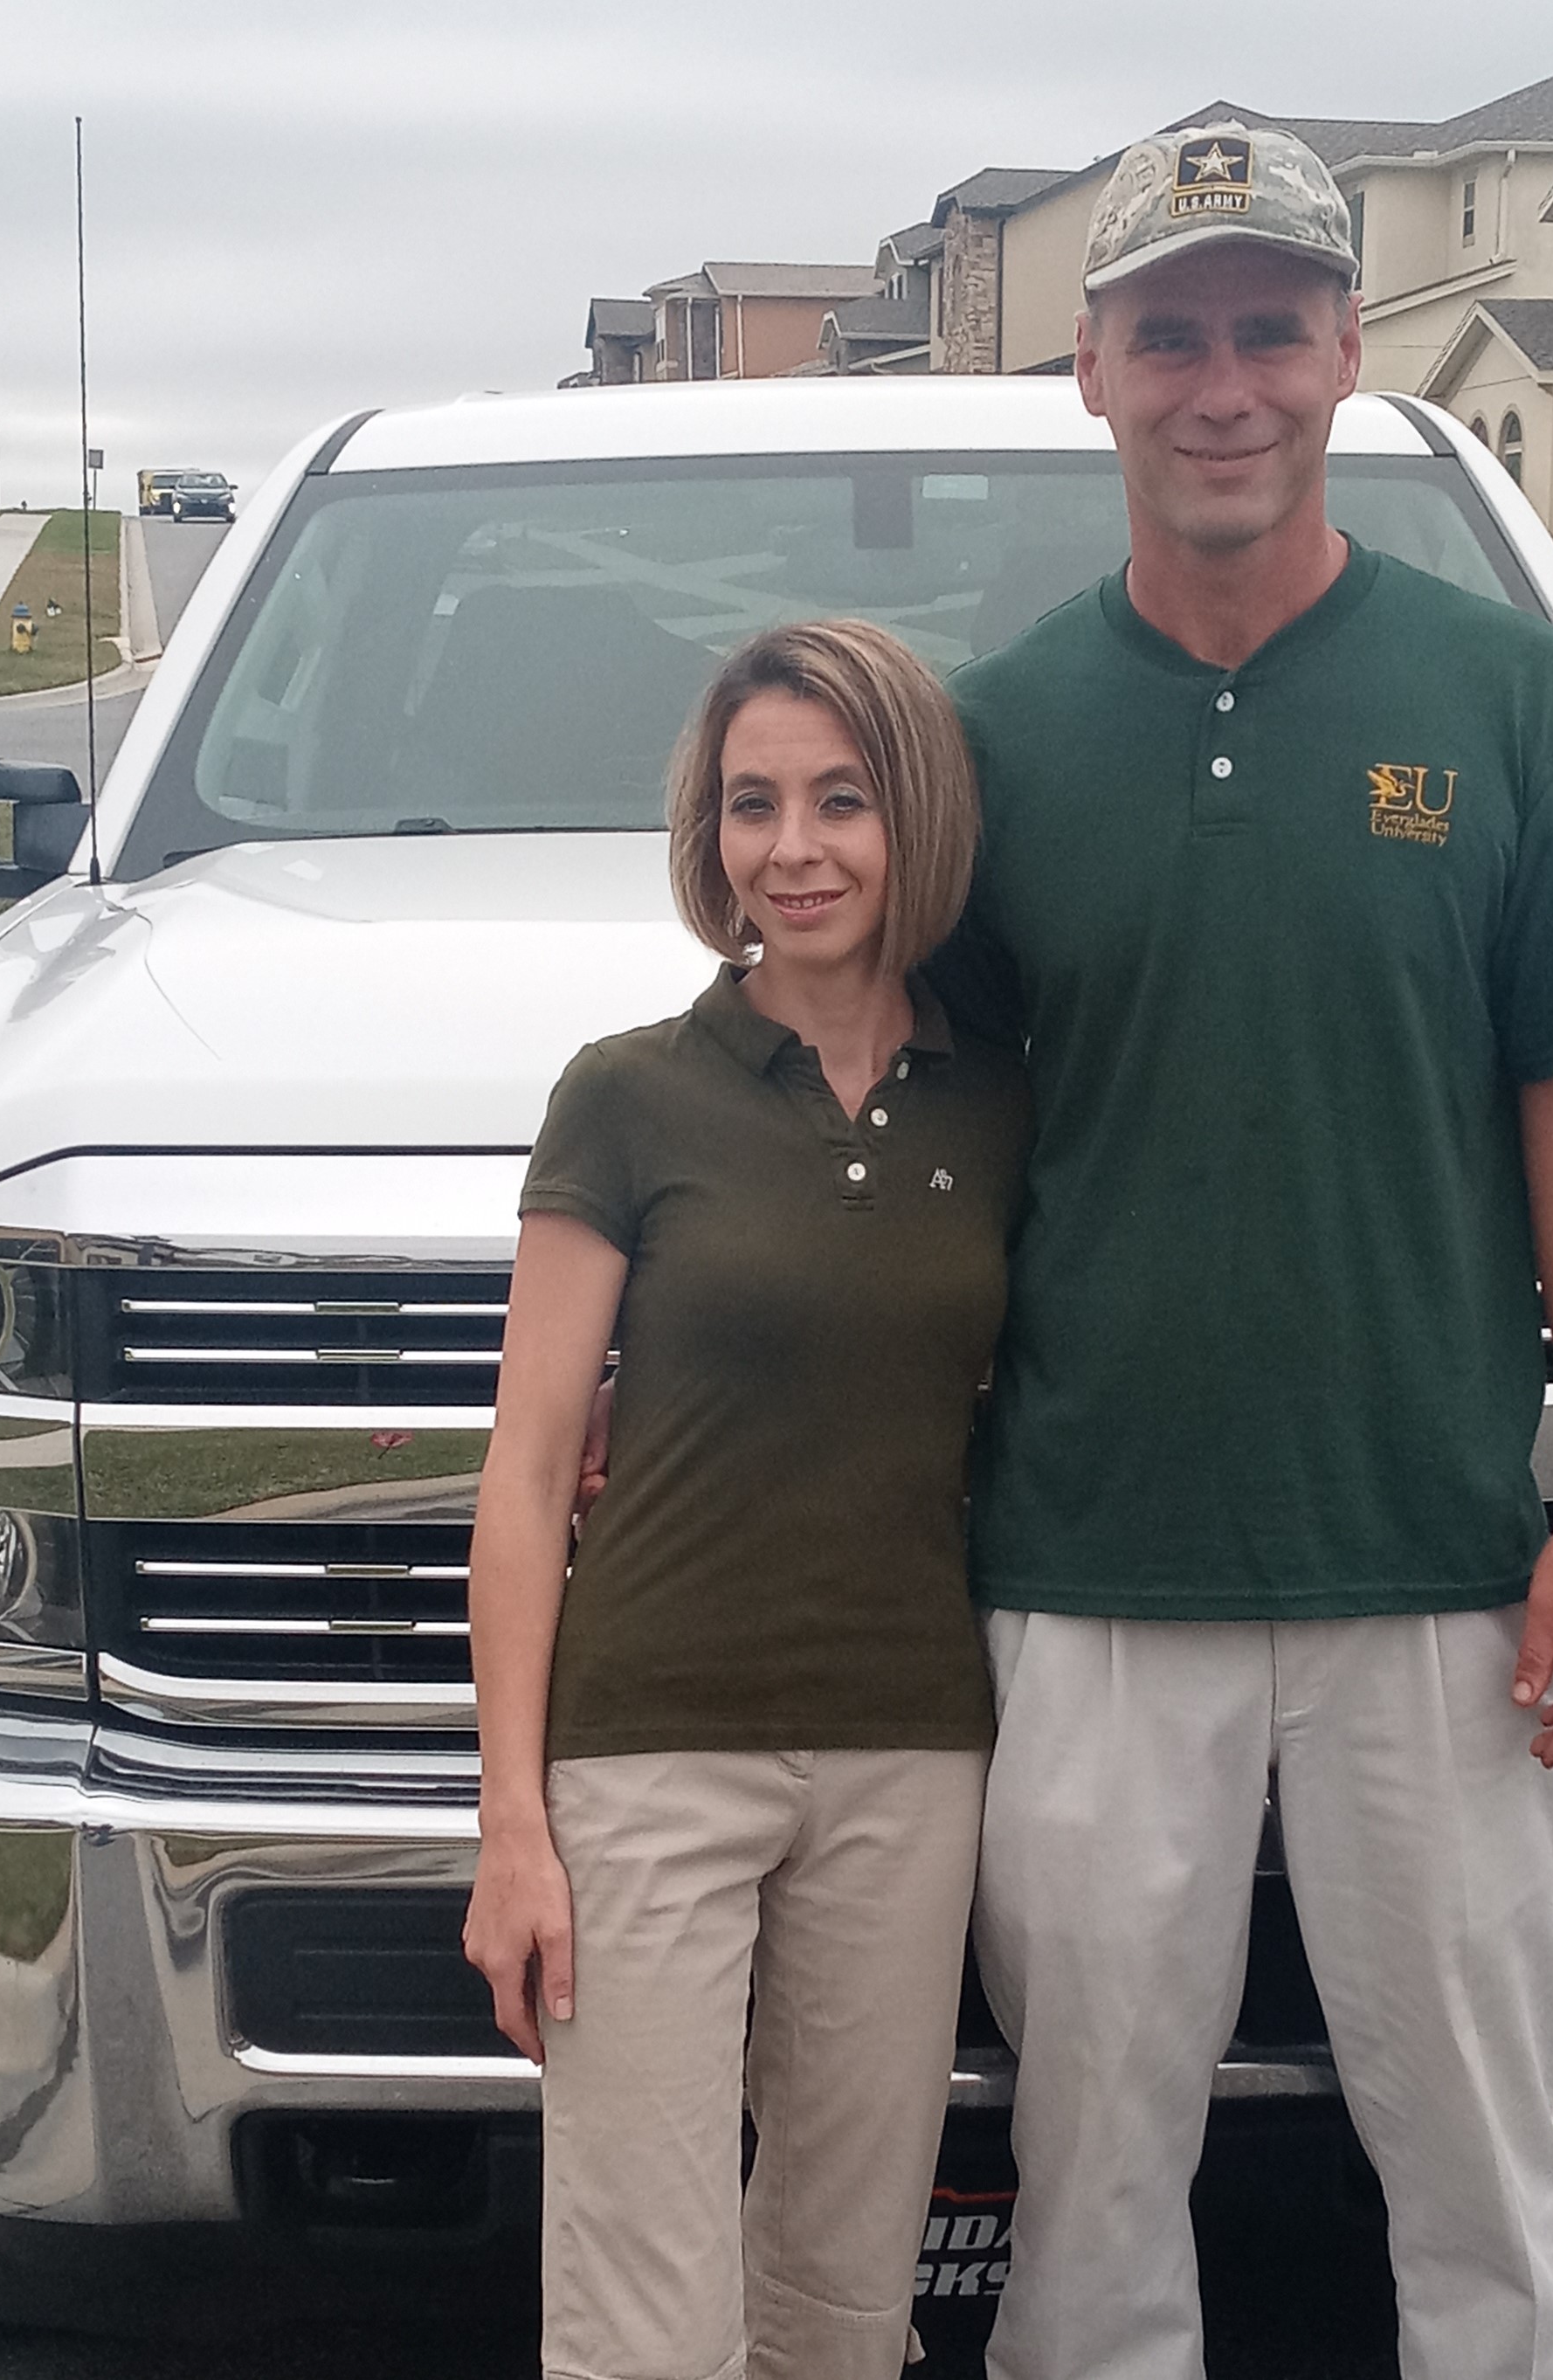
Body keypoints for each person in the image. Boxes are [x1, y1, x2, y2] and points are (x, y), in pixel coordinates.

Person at [934, 123, 1553, 2380]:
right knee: (1087, 2170)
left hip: (1439, 1560)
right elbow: (917, 1155)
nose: (1224, 383)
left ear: (1350, 353)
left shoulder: (1508, 703)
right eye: (1173, 334)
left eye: (1271, 328)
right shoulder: (994, 742)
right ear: (1093, 373)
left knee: (1481, 2149)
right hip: (1082, 1567)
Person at [463, 618, 1029, 2380]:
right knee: (647, 2304)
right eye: (751, 805)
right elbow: (532, 1464)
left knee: (849, 2295)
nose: (793, 847)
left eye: (841, 799)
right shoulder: (628, 1096)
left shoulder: (1008, 1103)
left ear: (912, 819)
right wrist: (511, 1826)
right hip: (651, 1751)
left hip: (912, 1747)